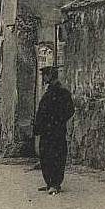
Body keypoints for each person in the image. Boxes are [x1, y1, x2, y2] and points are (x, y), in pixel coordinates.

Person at [33, 66, 75, 195]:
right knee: (45, 156)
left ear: (50, 76)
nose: (43, 78)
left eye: (45, 75)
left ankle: (55, 184)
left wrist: (57, 121)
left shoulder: (62, 93)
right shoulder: (48, 92)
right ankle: (49, 183)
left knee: (56, 156)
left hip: (56, 131)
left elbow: (69, 110)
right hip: (47, 131)